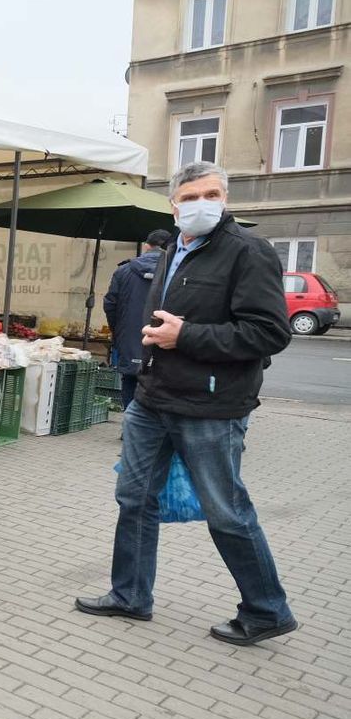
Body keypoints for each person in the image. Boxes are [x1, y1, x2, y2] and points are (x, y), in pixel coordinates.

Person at [75, 160, 298, 647]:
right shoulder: (175, 248)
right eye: (191, 196)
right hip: (153, 397)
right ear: (174, 205)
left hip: (211, 406)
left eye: (212, 194)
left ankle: (267, 610)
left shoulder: (248, 252)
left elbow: (269, 332)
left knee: (226, 511)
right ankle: (130, 594)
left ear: (225, 199)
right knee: (134, 498)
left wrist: (187, 335)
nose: (201, 204)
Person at [104, 228, 171, 411]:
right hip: (162, 338)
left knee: (130, 379)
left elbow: (110, 304)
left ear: (147, 246)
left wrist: (117, 330)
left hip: (129, 336)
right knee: (159, 382)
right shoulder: (175, 272)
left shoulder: (124, 270)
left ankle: (130, 426)